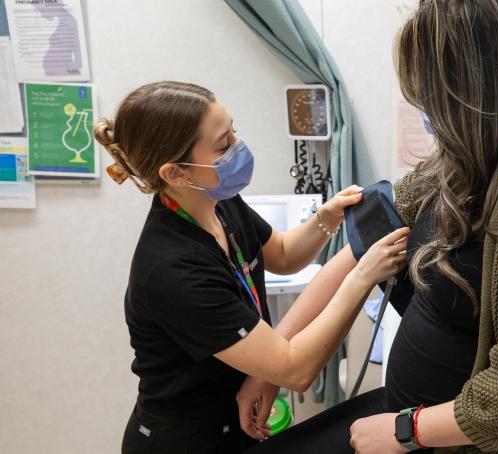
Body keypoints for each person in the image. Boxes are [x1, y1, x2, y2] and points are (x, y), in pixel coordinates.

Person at [249, 1, 498, 453]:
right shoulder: (464, 163)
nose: (428, 119)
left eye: (432, 102)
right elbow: (359, 248)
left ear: (473, 95)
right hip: (416, 421)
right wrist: (271, 364)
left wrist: (405, 430)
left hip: (471, 438)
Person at [96, 81, 409, 454]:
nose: (238, 147)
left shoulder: (218, 203)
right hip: (185, 441)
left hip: (238, 419)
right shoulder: (172, 269)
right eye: (223, 144)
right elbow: (295, 369)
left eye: (233, 130)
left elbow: (282, 252)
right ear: (176, 174)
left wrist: (325, 220)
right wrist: (362, 277)